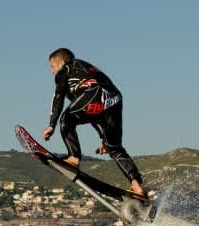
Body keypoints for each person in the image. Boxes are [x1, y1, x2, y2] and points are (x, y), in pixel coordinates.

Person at [42, 48, 146, 197]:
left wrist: (51, 124)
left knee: (66, 119)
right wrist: (103, 138)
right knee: (114, 148)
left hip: (95, 93)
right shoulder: (87, 68)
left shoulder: (66, 69)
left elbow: (58, 97)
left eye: (52, 66)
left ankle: (74, 158)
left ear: (62, 62)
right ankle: (138, 186)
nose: (52, 71)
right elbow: (94, 112)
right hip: (115, 99)